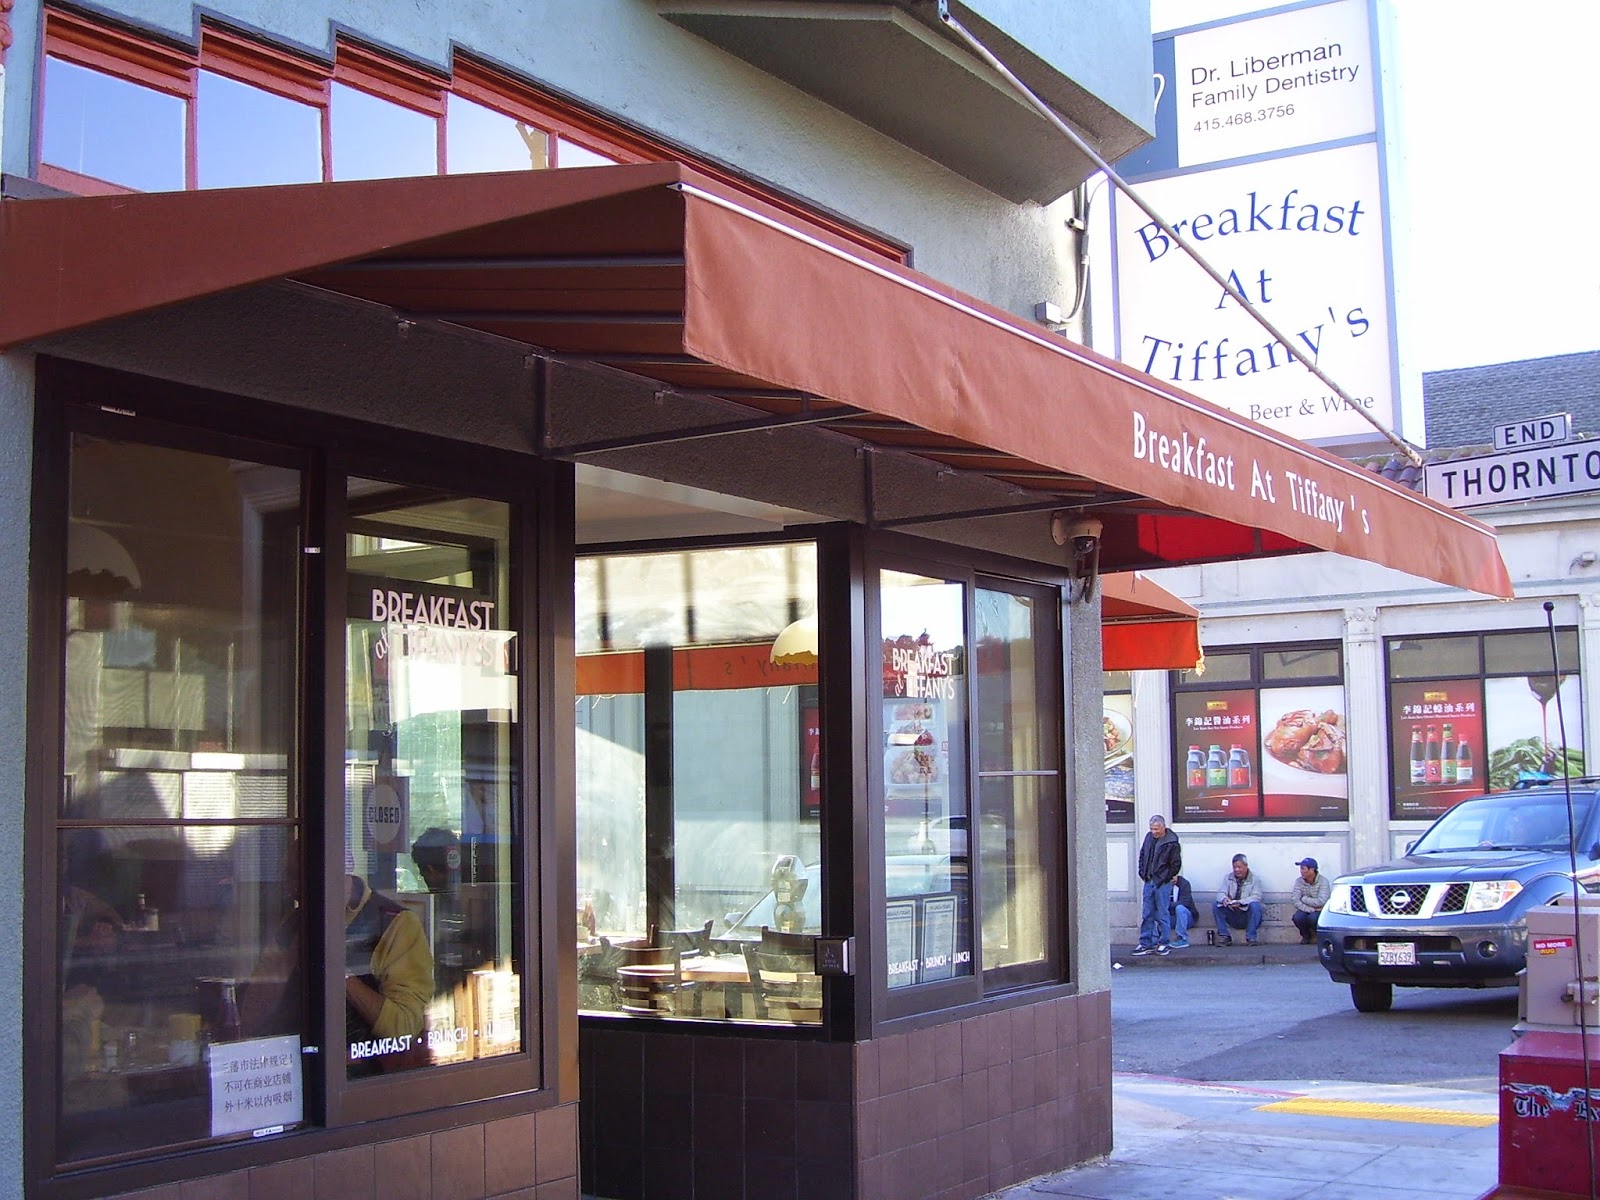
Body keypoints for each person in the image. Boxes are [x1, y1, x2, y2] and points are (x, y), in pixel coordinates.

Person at [345, 872, 434, 1076]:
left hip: (366, 1077)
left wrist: (341, 975)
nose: (292, 889)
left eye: (296, 878)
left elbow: (404, 1027)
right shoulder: (296, 919)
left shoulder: (398, 923)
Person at [1133, 815, 1181, 956]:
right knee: (1147, 913)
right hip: (1149, 879)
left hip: (1162, 882)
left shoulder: (1172, 842)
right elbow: (1142, 855)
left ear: (1163, 827)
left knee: (1162, 913)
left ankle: (1164, 942)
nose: (1154, 832)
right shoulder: (1149, 838)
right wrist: (1142, 872)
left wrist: (1165, 877)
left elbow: (1176, 864)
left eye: (1156, 829)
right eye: (1152, 829)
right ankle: (1146, 943)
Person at [1213, 853, 1264, 946]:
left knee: (1255, 905)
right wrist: (1224, 899)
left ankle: (1251, 937)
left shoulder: (1255, 879)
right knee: (1216, 904)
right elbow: (1220, 893)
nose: (1236, 870)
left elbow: (1256, 897)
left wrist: (1240, 903)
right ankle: (1225, 936)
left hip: (1247, 913)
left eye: (1239, 867)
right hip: (1232, 912)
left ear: (1246, 866)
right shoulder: (1228, 878)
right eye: (1234, 867)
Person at [1290, 857, 1331, 944]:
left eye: (1303, 868)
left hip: (1320, 910)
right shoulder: (1299, 881)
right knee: (1298, 917)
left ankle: (1318, 936)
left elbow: (1322, 901)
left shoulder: (1323, 881)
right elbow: (1295, 900)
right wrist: (1311, 909)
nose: (1301, 871)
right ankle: (1306, 936)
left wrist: (1304, 899)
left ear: (1312, 870)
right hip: (1308, 909)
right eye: (1301, 869)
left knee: (1313, 918)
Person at [1168, 875, 1199, 949]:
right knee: (1155, 911)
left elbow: (1185, 902)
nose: (1172, 879)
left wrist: (1168, 905)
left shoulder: (1184, 884)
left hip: (1187, 918)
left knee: (1180, 908)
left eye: (1173, 876)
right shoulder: (1163, 885)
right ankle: (1156, 939)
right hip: (1172, 918)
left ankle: (1182, 938)